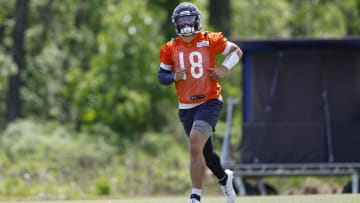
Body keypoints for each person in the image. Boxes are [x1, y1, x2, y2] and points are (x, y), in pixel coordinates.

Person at [157, 2, 242, 203]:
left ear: (197, 20)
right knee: (206, 155)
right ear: (176, 23)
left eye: (189, 19)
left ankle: (195, 197)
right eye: (182, 20)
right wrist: (173, 77)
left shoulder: (210, 40)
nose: (186, 23)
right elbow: (161, 76)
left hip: (209, 101)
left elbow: (236, 51)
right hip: (186, 107)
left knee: (194, 145)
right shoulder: (170, 48)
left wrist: (224, 69)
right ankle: (224, 177)